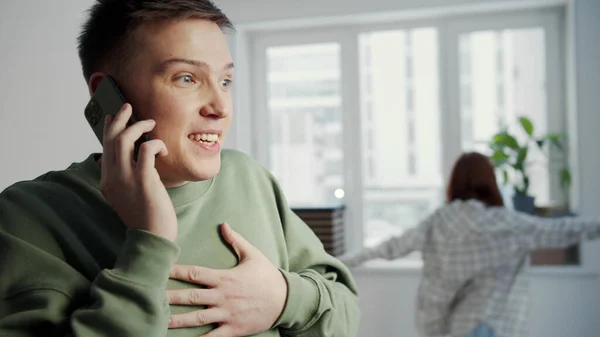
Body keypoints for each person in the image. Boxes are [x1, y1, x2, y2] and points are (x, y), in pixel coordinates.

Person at [0, 1, 359, 336]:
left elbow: (346, 311)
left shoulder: (250, 178)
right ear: (106, 94)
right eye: (186, 78)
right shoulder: (25, 216)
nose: (220, 107)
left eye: (225, 81)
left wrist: (283, 299)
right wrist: (149, 242)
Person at [339, 152, 600, 337]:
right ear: (490, 181)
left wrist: (339, 262)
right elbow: (562, 230)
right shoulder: (507, 224)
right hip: (498, 324)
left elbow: (390, 247)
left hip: (459, 327)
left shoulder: (440, 220)